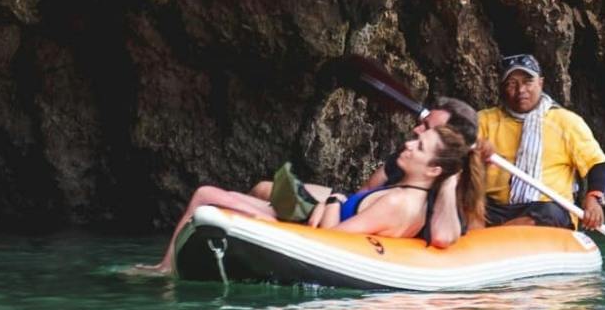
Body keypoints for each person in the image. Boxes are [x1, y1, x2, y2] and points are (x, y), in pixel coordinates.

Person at [139, 114, 485, 274]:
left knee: (205, 195)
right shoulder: (405, 191)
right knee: (220, 193)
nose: (409, 143)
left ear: (434, 170)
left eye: (419, 146)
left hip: (307, 236)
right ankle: (166, 267)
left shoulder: (399, 202)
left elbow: (331, 239)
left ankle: (164, 271)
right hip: (311, 225)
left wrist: (333, 202)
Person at [253, 98, 482, 248]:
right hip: (361, 209)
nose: (416, 130)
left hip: (380, 221)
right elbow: (367, 190)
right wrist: (332, 205)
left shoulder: (446, 181)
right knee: (263, 188)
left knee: (265, 198)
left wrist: (450, 180)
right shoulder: (408, 156)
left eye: (428, 128)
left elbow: (444, 236)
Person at [481, 53, 605, 230]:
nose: (521, 90)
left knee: (549, 212)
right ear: (502, 88)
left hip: (544, 209)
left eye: (528, 82)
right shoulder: (484, 121)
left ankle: (494, 236)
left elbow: (598, 165)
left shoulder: (566, 122)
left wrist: (593, 199)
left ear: (540, 83)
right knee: (467, 207)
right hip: (497, 208)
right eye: (512, 84)